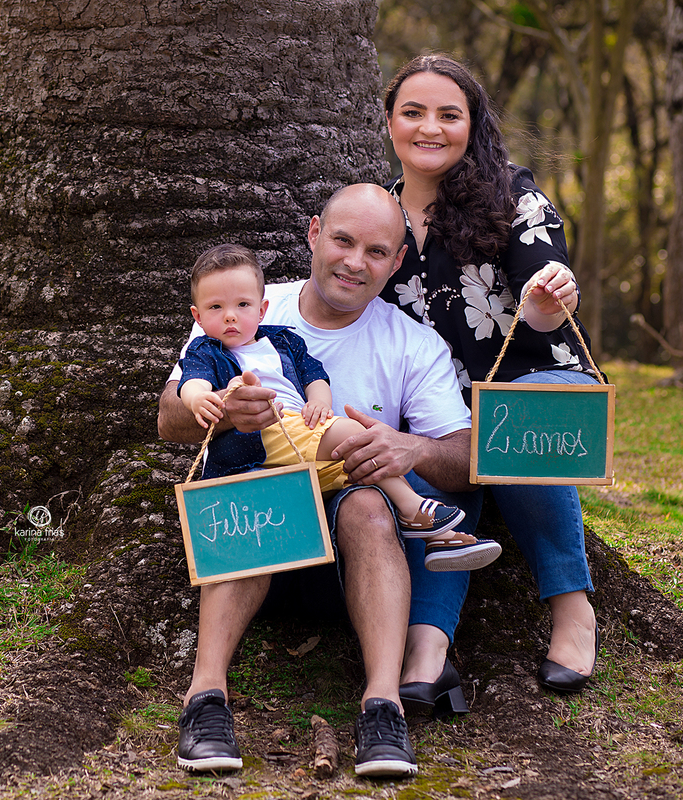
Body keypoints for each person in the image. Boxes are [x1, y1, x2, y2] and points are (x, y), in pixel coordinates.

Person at [158, 183, 476, 778]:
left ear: (397, 261)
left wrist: (406, 447)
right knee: (254, 491)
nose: (356, 261)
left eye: (377, 251)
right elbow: (170, 416)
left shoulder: (411, 343)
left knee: (369, 505)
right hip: (253, 539)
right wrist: (226, 412)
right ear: (313, 234)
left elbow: (463, 458)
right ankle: (205, 701)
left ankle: (382, 709)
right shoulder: (244, 301)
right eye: (343, 240)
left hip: (350, 557)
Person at [380, 53, 601, 714]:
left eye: (449, 114)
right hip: (440, 408)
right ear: (389, 122)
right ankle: (427, 648)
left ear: (471, 124)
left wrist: (546, 295)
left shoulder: (513, 193)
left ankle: (572, 608)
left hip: (539, 380)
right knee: (435, 470)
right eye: (413, 112)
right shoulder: (377, 220)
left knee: (505, 430)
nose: (430, 127)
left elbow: (547, 273)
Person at [178, 242, 500, 571]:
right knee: (353, 433)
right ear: (198, 317)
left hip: (297, 446)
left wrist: (319, 403)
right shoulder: (207, 349)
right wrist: (205, 400)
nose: (230, 315)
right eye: (216, 308)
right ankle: (414, 507)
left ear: (261, 310)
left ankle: (441, 540)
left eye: (242, 305)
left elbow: (314, 376)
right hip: (261, 441)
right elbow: (191, 383)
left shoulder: (282, 340)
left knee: (363, 471)